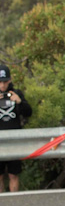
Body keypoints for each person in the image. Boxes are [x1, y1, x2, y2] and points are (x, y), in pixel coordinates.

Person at [0, 64, 33, 193]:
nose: (2, 85)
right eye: (0, 82)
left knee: (13, 174)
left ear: (9, 80)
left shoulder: (16, 93)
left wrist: (19, 101)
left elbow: (28, 112)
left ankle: (14, 200)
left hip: (14, 140)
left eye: (5, 82)